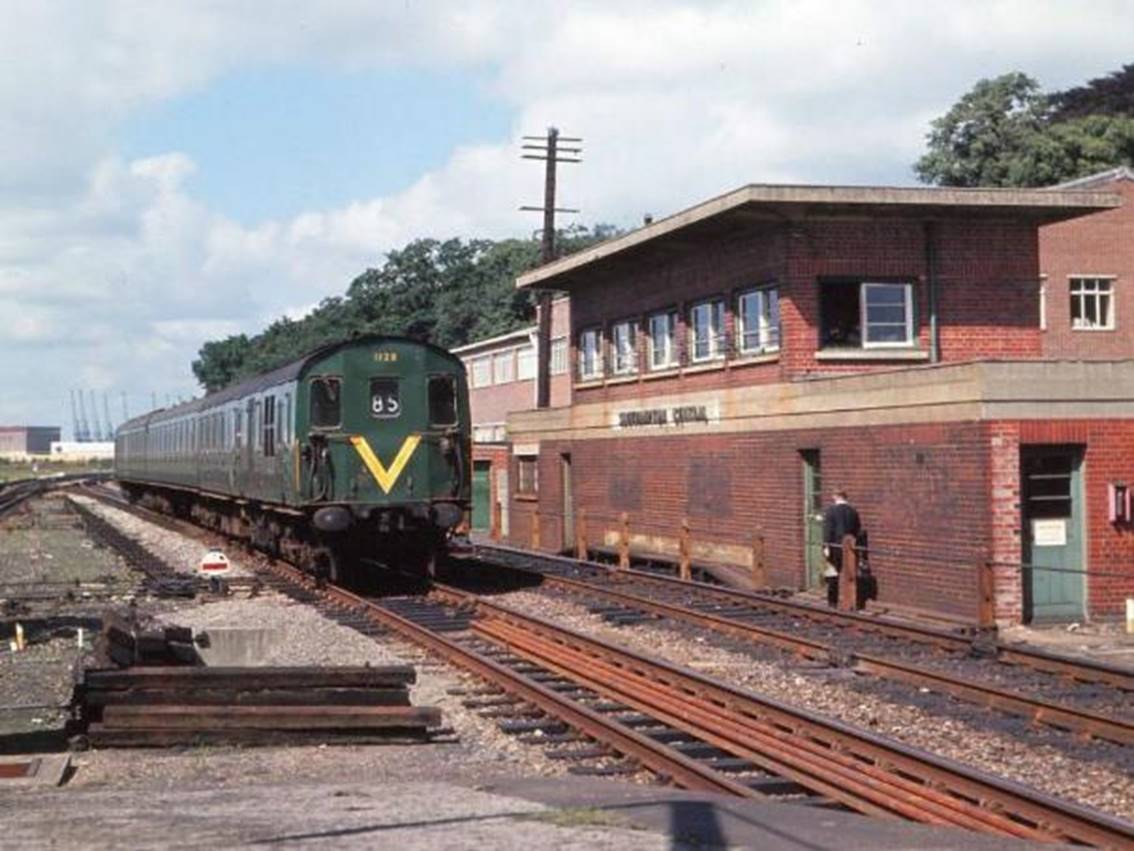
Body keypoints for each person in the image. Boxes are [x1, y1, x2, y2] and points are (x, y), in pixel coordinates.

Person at [822, 490, 861, 608]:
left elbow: (828, 531)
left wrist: (825, 546)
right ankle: (850, 601)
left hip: (834, 546)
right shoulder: (853, 511)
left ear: (835, 496)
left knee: (832, 574)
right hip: (850, 547)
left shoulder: (830, 511)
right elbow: (857, 529)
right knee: (850, 574)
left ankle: (832, 602)